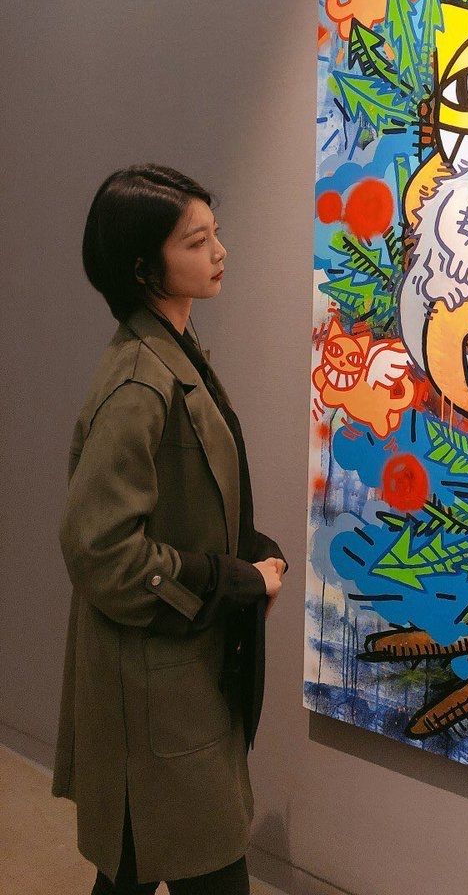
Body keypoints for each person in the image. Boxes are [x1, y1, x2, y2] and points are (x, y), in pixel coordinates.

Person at [51, 164, 289, 894]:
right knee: (202, 863)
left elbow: (193, 495)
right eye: (196, 241)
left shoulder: (173, 352)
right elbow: (101, 549)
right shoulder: (140, 382)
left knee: (135, 865)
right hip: (155, 688)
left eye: (215, 234)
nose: (220, 253)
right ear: (143, 267)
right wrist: (231, 580)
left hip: (173, 676)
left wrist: (254, 552)